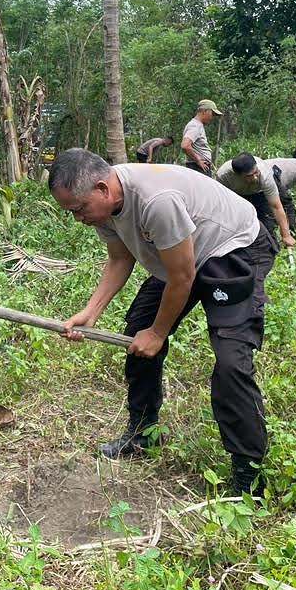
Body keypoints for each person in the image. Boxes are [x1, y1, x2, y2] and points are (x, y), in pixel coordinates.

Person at [48, 149, 277, 495]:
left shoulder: (157, 200)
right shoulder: (104, 207)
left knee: (231, 362)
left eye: (79, 209)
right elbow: (119, 258)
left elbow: (183, 277)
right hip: (180, 255)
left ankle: (250, 475)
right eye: (70, 212)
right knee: (135, 337)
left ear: (102, 188)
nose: (77, 218)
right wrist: (90, 312)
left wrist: (158, 332)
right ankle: (143, 434)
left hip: (234, 248)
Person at [216, 153, 296, 247]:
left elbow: (276, 206)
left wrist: (286, 235)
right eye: (249, 176)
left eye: (256, 172)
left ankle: (271, 248)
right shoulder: (223, 176)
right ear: (237, 175)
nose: (255, 177)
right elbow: (221, 202)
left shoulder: (264, 174)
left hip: (260, 193)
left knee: (267, 226)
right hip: (237, 196)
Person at [180, 100, 223, 175]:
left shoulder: (197, 125)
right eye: (212, 114)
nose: (212, 117)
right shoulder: (195, 126)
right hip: (197, 167)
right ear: (205, 111)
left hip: (199, 167)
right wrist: (198, 161)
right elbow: (185, 145)